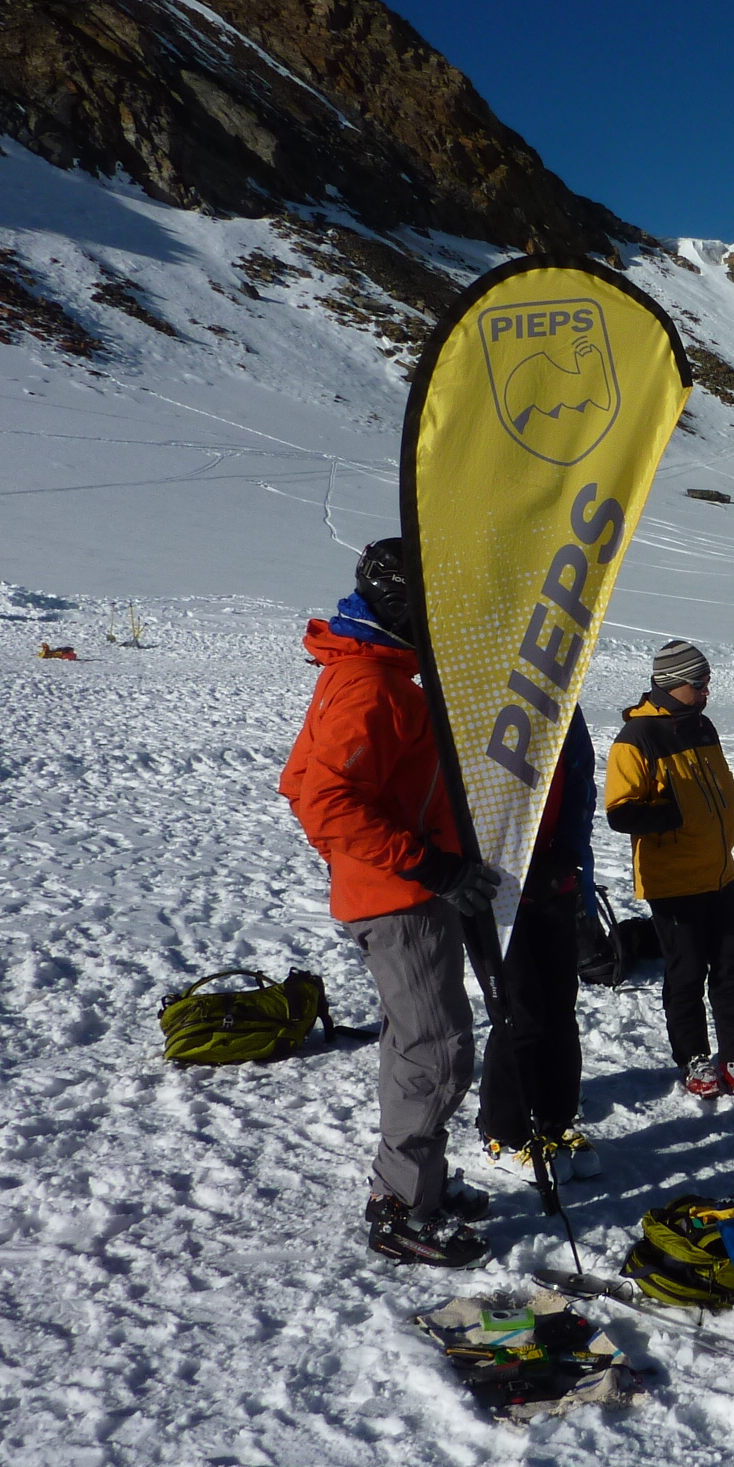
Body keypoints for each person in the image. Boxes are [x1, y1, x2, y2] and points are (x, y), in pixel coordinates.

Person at [279, 538, 497, 1267]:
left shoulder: (375, 673)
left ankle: (417, 1184)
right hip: (403, 897)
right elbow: (326, 799)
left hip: (397, 888)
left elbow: (299, 784)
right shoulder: (372, 684)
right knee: (437, 1051)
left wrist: (368, 865)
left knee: (417, 1041)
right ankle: (402, 1206)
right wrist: (419, 866)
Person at [606, 641, 734, 1099]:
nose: (707, 689)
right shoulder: (636, 739)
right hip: (674, 879)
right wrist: (670, 815)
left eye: (707, 681)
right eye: (700, 683)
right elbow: (620, 812)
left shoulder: (701, 725)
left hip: (719, 870)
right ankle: (694, 1060)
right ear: (673, 684)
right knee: (687, 972)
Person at [478, 704, 601, 1181]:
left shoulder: (559, 697)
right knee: (519, 1013)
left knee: (558, 1007)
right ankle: (503, 1132)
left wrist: (567, 854)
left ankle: (554, 1120)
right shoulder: (480, 689)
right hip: (495, 886)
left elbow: (579, 779)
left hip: (552, 880)